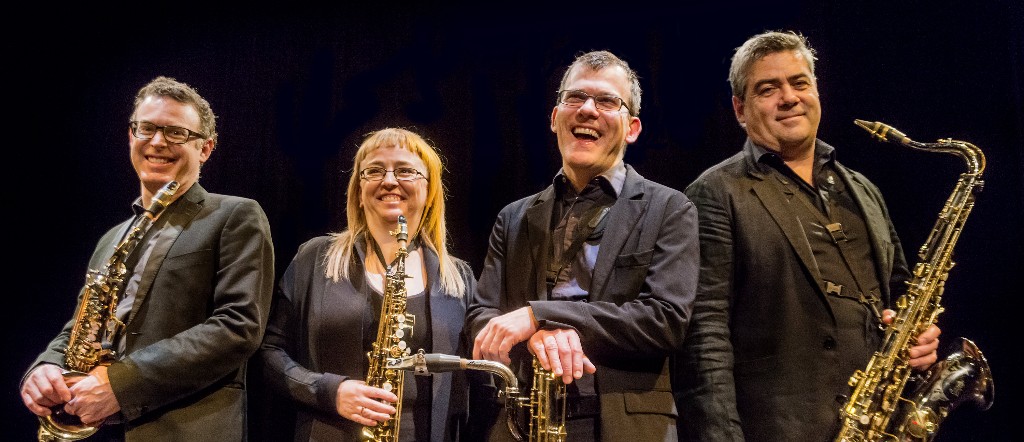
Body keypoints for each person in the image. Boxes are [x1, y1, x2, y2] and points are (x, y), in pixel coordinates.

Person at [673, 30, 942, 442]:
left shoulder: (864, 190)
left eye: (800, 83)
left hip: (877, 425)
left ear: (816, 91)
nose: (789, 97)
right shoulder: (715, 192)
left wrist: (920, 341)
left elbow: (900, 295)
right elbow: (704, 340)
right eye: (768, 88)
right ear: (740, 109)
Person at [19, 76, 275, 440]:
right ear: (131, 136)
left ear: (205, 148)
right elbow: (80, 326)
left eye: (176, 133)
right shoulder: (111, 238)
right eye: (147, 128)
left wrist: (121, 385)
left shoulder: (236, 214)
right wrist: (46, 366)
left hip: (185, 428)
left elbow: (238, 326)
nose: (158, 142)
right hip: (92, 422)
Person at [467, 50, 699, 442]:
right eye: (575, 98)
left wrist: (539, 315)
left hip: (626, 425)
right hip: (522, 419)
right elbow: (481, 314)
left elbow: (665, 320)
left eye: (608, 101)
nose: (588, 110)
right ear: (554, 118)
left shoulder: (670, 208)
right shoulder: (513, 216)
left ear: (632, 128)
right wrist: (535, 331)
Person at [258, 128, 476, 441]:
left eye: (405, 170)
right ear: (359, 192)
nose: (389, 181)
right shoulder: (315, 258)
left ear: (429, 192)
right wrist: (329, 391)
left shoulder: (459, 278)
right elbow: (270, 352)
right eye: (373, 171)